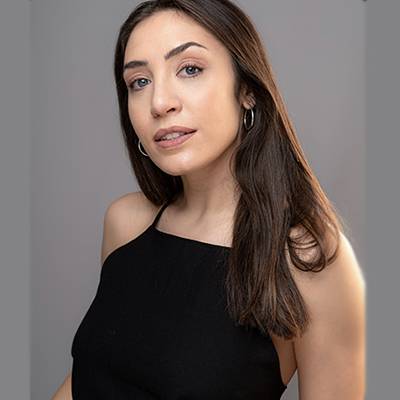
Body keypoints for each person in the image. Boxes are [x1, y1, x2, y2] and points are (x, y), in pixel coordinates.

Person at [51, 0, 366, 399]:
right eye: (139, 82)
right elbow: (87, 382)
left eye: (190, 69)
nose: (159, 103)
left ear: (247, 90)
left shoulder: (308, 260)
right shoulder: (126, 224)